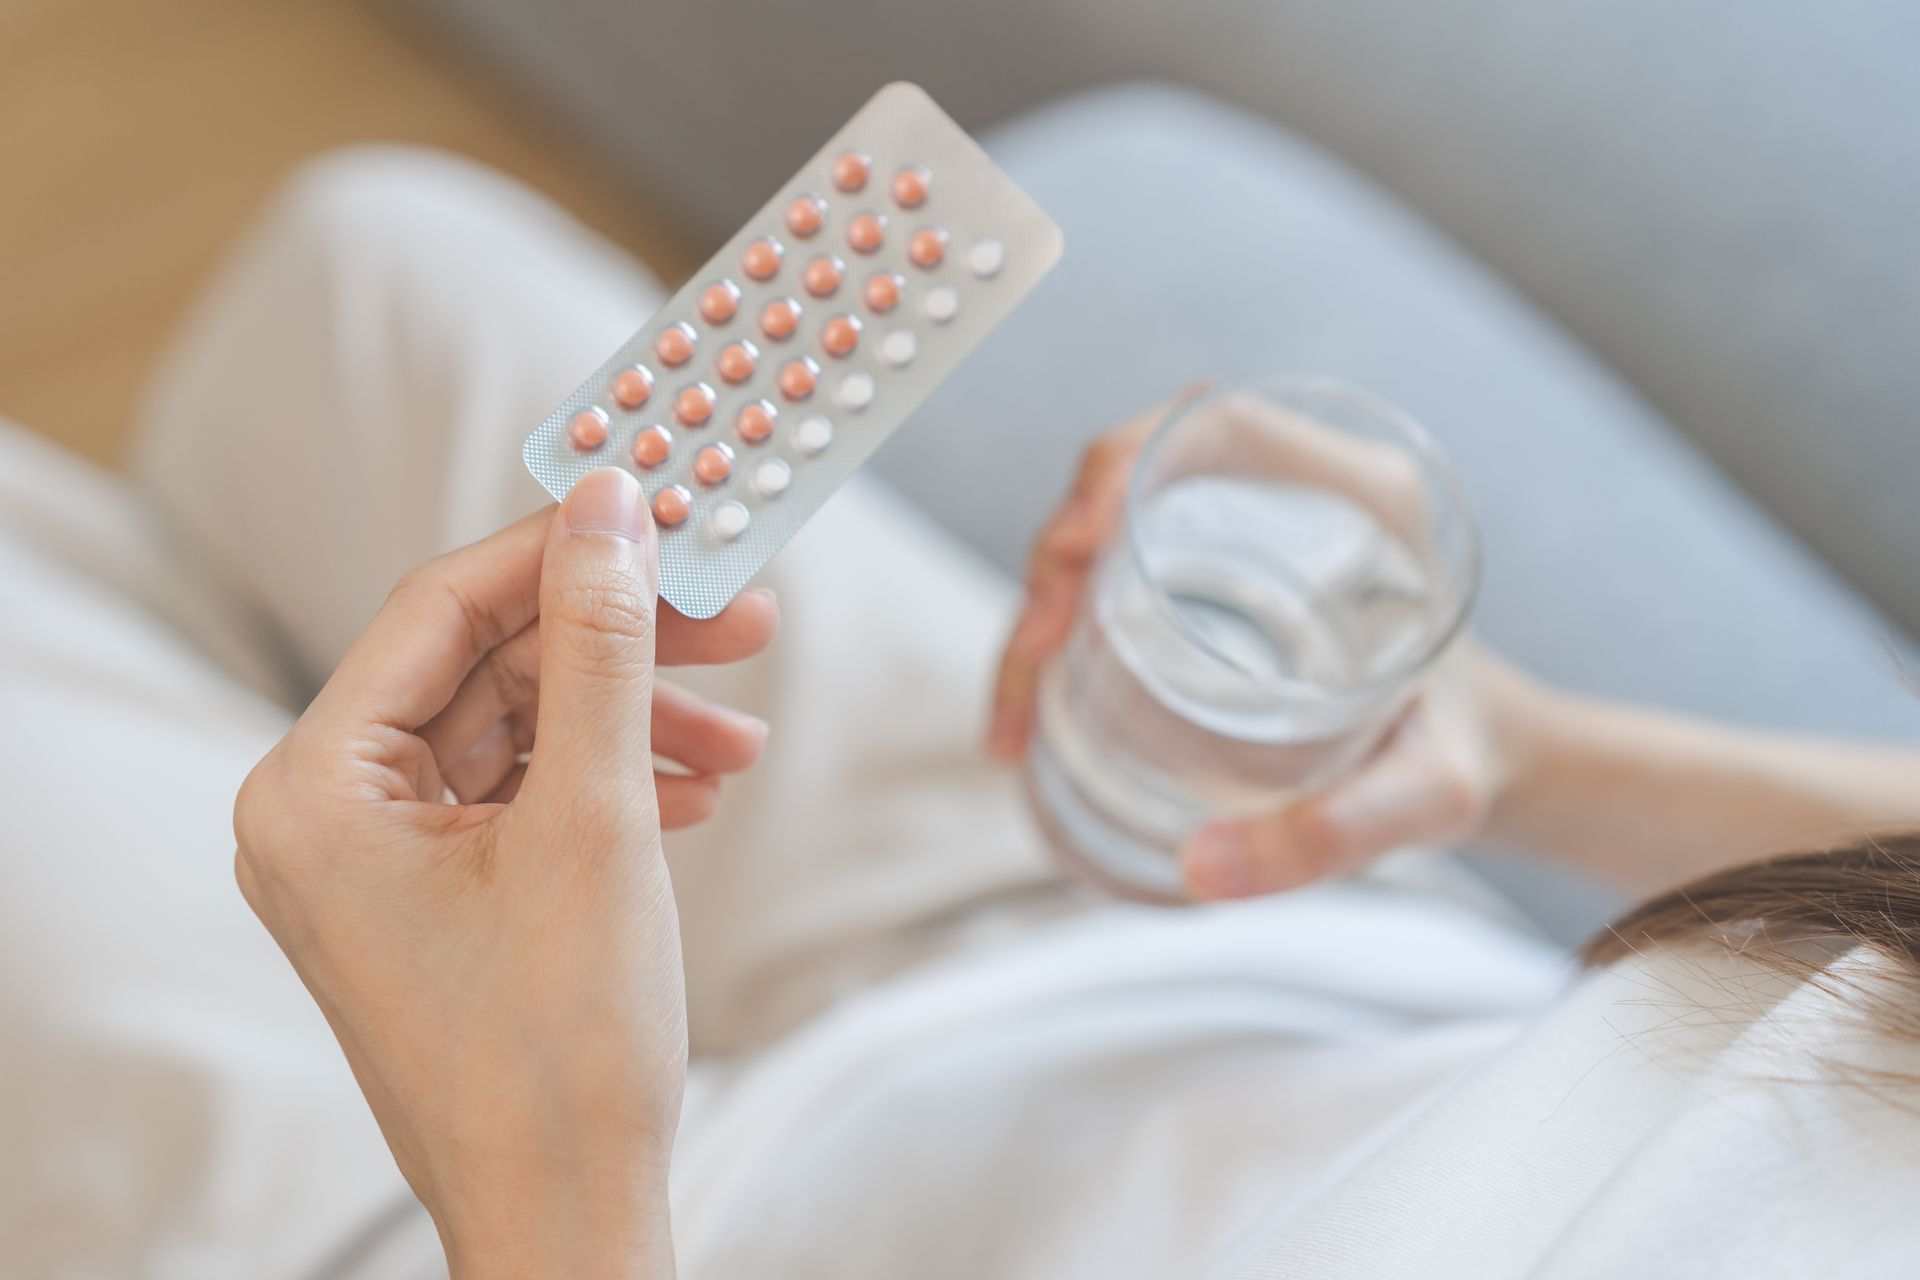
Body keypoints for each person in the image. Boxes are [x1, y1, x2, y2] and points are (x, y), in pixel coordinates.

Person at [7, 144, 1920, 1278]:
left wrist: (543, 1176)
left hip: (604, 1222)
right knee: (366, 259)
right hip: (1178, 963)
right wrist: (1532, 759)